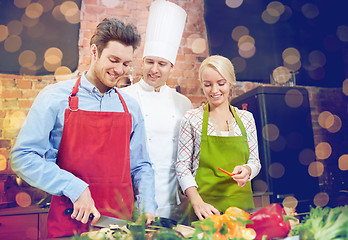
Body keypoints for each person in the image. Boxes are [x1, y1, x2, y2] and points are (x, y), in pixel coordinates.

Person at [10, 18, 157, 238]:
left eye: (126, 63)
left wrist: (147, 205)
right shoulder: (54, 98)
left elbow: (141, 166)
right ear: (94, 51)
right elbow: (22, 157)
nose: (119, 70)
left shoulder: (131, 108)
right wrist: (74, 187)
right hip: (69, 223)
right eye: (114, 60)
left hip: (120, 228)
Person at [122, 0, 192, 222]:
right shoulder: (124, 97)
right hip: (134, 201)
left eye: (161, 64)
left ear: (171, 66)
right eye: (149, 62)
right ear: (142, 62)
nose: (154, 69)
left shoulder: (183, 103)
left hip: (174, 202)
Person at [175, 55, 261, 221]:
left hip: (241, 208)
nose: (214, 90)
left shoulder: (246, 118)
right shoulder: (192, 118)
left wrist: (248, 170)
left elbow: (255, 161)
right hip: (205, 209)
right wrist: (197, 202)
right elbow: (182, 166)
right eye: (208, 85)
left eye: (221, 83)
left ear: (230, 82)